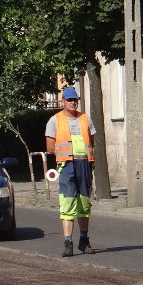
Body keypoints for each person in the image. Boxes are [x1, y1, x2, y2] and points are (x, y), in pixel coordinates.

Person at [45, 86, 96, 257]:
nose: (73, 103)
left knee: (84, 203)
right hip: (66, 166)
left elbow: (92, 141)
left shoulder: (85, 119)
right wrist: (65, 155)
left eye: (75, 100)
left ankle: (84, 240)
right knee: (67, 203)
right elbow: (50, 146)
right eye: (69, 100)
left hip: (84, 164)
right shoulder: (55, 120)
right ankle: (68, 242)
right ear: (63, 102)